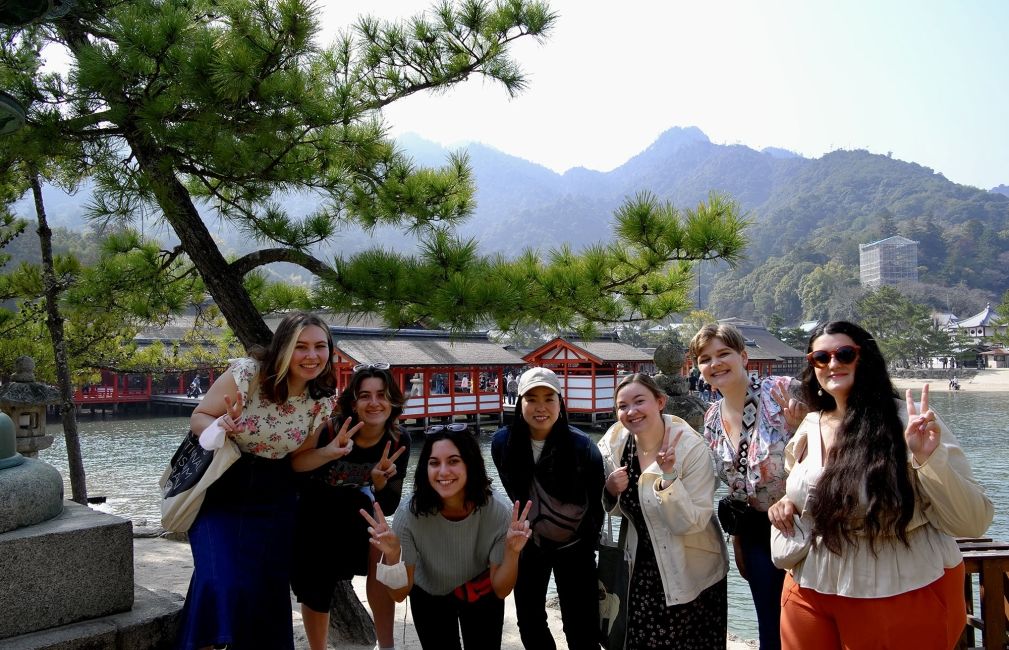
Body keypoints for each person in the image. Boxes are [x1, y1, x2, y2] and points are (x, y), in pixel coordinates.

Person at [768, 321, 993, 650]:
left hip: (901, 586)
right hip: (808, 584)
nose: (833, 363)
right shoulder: (811, 423)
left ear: (865, 358)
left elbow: (973, 520)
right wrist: (787, 502)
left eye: (845, 354)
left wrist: (927, 460)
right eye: (821, 357)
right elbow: (804, 483)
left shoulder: (908, 422)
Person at [177, 312, 341, 650]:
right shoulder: (248, 373)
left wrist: (329, 453)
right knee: (216, 578)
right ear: (283, 347)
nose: (312, 356)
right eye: (302, 346)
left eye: (320, 346)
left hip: (275, 499)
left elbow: (298, 460)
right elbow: (199, 417)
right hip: (222, 488)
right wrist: (221, 425)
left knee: (265, 590)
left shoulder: (321, 401)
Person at [362, 424, 533, 650]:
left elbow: (501, 590)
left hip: (479, 589)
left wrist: (512, 552)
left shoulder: (498, 512)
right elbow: (399, 594)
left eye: (453, 461)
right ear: (425, 469)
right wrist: (393, 556)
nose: (443, 472)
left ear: (470, 465)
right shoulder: (409, 514)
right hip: (429, 592)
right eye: (434, 463)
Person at [689, 323, 805, 650]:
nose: (715, 363)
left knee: (809, 621)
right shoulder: (712, 418)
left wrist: (803, 424)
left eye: (723, 353)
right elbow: (733, 488)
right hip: (756, 531)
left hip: (804, 522)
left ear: (743, 356)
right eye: (705, 358)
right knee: (770, 625)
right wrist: (738, 541)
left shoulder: (781, 391)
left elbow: (837, 435)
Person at [598, 373, 728, 650]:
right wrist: (609, 490)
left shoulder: (690, 448)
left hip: (688, 567)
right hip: (639, 566)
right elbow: (621, 510)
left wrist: (668, 479)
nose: (631, 411)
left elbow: (691, 523)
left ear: (660, 401)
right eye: (622, 406)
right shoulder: (615, 444)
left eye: (639, 401)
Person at [290, 363, 411, 650]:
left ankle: (387, 645)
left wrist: (380, 484)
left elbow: (389, 506)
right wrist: (328, 451)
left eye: (381, 395)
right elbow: (295, 465)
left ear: (392, 399)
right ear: (353, 402)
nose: (374, 403)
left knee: (379, 545)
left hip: (356, 510)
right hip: (314, 509)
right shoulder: (332, 426)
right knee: (316, 584)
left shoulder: (397, 440)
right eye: (364, 395)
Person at [491, 367, 605, 650]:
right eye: (531, 398)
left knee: (581, 626)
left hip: (576, 546)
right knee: (529, 621)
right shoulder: (503, 443)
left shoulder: (582, 447)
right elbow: (512, 491)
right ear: (520, 404)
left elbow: (596, 502)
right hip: (528, 544)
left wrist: (586, 542)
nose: (540, 407)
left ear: (560, 403)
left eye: (548, 398)